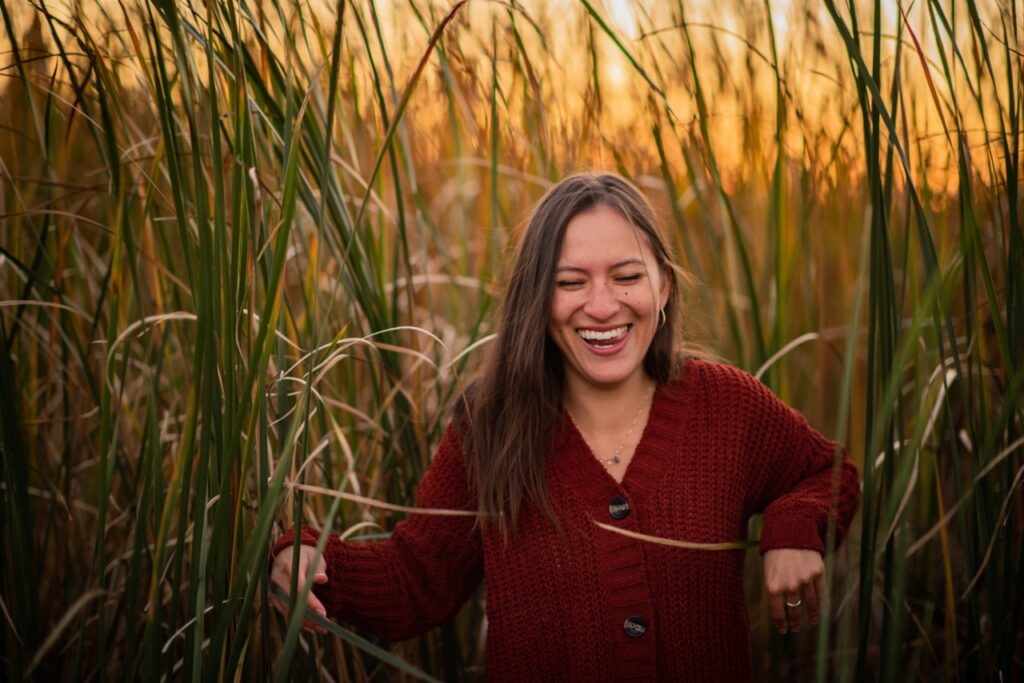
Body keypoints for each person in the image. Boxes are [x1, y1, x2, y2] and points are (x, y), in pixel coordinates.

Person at [269, 172, 861, 680]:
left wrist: (792, 524)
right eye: (570, 282)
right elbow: (416, 580)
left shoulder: (726, 407)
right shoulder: (493, 426)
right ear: (536, 298)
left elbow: (828, 473)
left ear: (664, 287)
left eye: (626, 277)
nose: (601, 307)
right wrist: (311, 561)